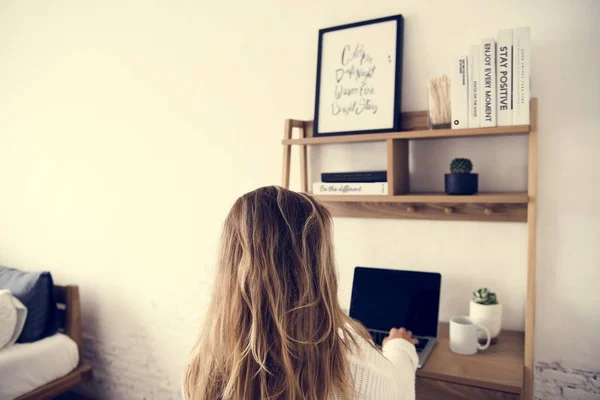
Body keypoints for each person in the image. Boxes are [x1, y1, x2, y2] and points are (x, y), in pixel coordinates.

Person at [183, 186, 418, 400]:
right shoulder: (356, 372)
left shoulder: (201, 370)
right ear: (319, 266)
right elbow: (398, 385)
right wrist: (400, 346)